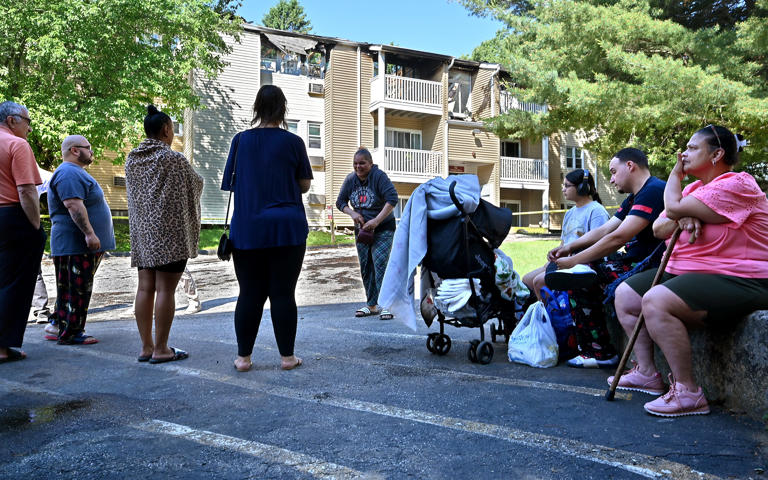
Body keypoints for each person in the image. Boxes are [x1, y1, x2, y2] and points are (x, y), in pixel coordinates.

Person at [611, 125, 768, 417]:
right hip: (689, 272)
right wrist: (683, 217)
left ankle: (688, 392)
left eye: (693, 148)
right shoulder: (696, 189)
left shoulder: (738, 184)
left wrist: (675, 183)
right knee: (626, 295)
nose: (684, 153)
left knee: (656, 300)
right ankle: (646, 372)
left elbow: (672, 208)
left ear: (717, 154)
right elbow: (659, 228)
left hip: (741, 277)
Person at [221, 85, 312, 373]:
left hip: (248, 228)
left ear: (256, 108)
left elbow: (232, 185)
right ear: (283, 109)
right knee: (283, 293)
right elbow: (305, 185)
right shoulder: (294, 142)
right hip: (287, 227)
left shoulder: (240, 141)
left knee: (249, 293)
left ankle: (243, 359)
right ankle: (287, 358)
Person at [548, 148, 666, 368]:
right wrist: (570, 247)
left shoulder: (653, 190)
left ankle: (600, 352)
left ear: (630, 166)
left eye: (613, 172)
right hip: (635, 262)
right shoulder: (635, 196)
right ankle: (597, 349)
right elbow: (605, 230)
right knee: (582, 274)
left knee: (583, 276)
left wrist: (575, 260)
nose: (611, 180)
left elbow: (618, 238)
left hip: (653, 265)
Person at [126, 105, 203, 363]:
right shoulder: (173, 159)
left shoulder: (132, 159)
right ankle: (161, 349)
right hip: (169, 235)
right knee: (165, 290)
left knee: (145, 288)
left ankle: (146, 347)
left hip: (143, 235)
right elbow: (196, 183)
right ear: (166, 130)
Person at [46, 135, 115, 345]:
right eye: (88, 147)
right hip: (75, 244)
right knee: (77, 288)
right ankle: (72, 333)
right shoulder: (68, 172)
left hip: (76, 245)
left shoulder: (74, 172)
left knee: (69, 288)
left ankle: (57, 325)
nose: (92, 152)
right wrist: (90, 233)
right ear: (75, 150)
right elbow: (73, 206)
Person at [0, 101, 45, 363]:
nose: (29, 128)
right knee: (14, 283)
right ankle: (4, 346)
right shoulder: (17, 145)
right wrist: (35, 225)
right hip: (11, 216)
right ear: (12, 120)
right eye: (27, 122)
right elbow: (27, 190)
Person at [522, 168, 609, 300]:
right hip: (564, 261)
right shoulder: (569, 213)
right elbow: (564, 243)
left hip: (584, 263)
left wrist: (570, 257)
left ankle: (553, 318)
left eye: (567, 186)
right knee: (526, 280)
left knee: (539, 282)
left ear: (582, 188)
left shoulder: (596, 211)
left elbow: (601, 244)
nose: (563, 189)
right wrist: (556, 254)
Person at [336, 147, 398, 320]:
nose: (358, 167)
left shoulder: (379, 177)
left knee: (380, 265)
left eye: (362, 163)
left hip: (383, 228)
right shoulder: (350, 180)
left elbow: (392, 199)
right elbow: (340, 202)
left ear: (370, 163)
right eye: (355, 163)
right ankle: (371, 305)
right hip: (362, 231)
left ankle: (386, 305)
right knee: (366, 266)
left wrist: (376, 221)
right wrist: (353, 213)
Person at [31, 166, 54, 324]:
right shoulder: (40, 174)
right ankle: (41, 311)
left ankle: (41, 310)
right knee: (34, 270)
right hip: (28, 221)